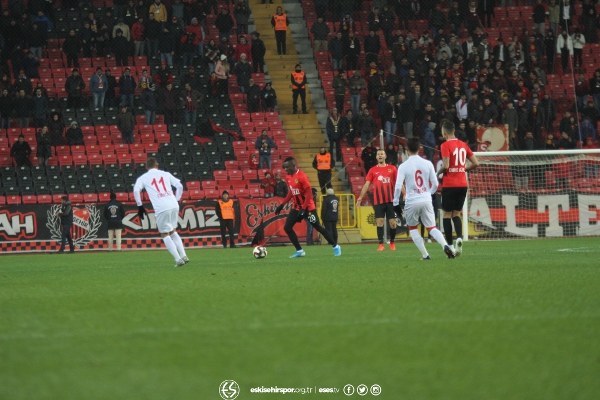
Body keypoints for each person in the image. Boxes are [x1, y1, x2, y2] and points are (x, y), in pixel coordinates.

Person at [393, 138, 455, 260]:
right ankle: (445, 246)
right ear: (419, 148)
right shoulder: (428, 163)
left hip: (411, 201)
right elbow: (436, 184)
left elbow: (398, 186)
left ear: (406, 149)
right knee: (432, 227)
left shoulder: (403, 166)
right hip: (426, 199)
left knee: (412, 228)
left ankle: (425, 255)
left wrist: (395, 203)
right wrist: (428, 194)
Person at [275, 157, 342, 258]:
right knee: (287, 227)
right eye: (284, 168)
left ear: (293, 166)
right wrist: (281, 205)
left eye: (287, 167)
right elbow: (291, 192)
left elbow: (309, 194)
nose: (285, 170)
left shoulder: (302, 176)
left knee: (318, 227)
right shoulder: (288, 177)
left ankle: (335, 246)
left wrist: (304, 209)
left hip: (308, 208)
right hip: (296, 207)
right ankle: (299, 250)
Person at [134, 157, 189, 267]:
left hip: (161, 207)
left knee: (164, 233)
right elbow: (180, 186)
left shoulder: (143, 178)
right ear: (157, 165)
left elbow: (136, 190)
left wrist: (140, 206)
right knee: (173, 230)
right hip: (173, 204)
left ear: (146, 167)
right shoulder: (166, 174)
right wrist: (177, 199)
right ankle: (184, 255)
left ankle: (178, 259)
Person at [437, 120, 479, 257]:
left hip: (450, 184)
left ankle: (449, 246)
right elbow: (476, 163)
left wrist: (438, 172)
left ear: (444, 132)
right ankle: (459, 238)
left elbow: (447, 165)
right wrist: (464, 168)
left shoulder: (444, 145)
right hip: (462, 184)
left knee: (447, 215)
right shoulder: (463, 145)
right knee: (457, 214)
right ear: (454, 130)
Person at [356, 149, 398, 251]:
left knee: (392, 223)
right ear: (376, 157)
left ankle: (392, 242)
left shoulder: (392, 169)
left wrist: (405, 193)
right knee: (379, 222)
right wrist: (360, 198)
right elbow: (366, 185)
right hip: (378, 201)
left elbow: (399, 183)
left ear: (385, 156)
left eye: (382, 154)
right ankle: (380, 244)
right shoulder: (372, 170)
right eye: (378, 154)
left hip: (391, 201)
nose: (380, 155)